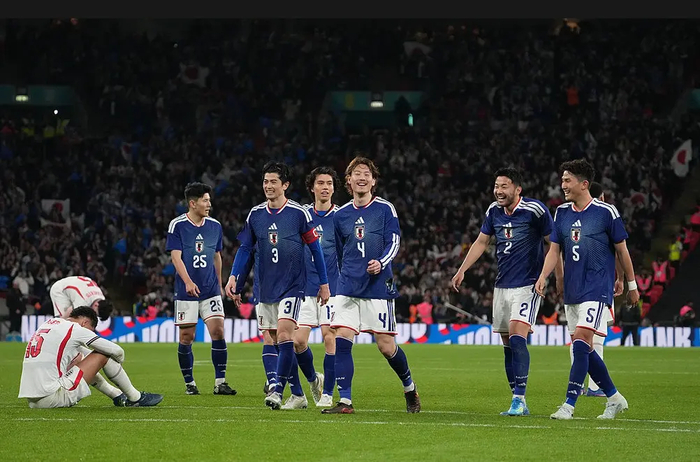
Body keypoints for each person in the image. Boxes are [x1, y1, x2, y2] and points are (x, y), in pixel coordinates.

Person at [535, 159, 639, 420]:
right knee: (585, 349)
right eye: (562, 180)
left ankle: (569, 405)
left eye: (567, 180)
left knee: (581, 341)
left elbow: (622, 250)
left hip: (597, 287)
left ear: (584, 184)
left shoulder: (606, 212)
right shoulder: (561, 213)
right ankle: (614, 398)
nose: (562, 185)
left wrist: (631, 284)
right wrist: (544, 276)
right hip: (573, 289)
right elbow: (554, 251)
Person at [451, 167, 556, 416]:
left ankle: (519, 399)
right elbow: (482, 241)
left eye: (504, 186)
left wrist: (548, 276)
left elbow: (554, 244)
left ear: (518, 189)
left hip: (528, 284)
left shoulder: (535, 210)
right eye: (496, 186)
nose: (498, 191)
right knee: (507, 343)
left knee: (518, 336)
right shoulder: (493, 211)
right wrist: (462, 269)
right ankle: (517, 399)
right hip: (502, 285)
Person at [225, 161, 330, 410]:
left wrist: (324, 283)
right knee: (273, 338)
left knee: (284, 335)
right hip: (265, 286)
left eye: (274, 181)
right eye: (265, 181)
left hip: (292, 285)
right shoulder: (255, 215)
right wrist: (234, 277)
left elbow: (315, 249)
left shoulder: (298, 214)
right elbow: (245, 249)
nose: (268, 186)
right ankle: (300, 393)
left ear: (285, 185)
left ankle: (277, 391)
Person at [323, 156, 420, 415]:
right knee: (342, 337)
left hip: (378, 286)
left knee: (386, 346)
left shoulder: (385, 209)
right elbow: (340, 251)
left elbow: (394, 241)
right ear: (349, 180)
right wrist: (345, 276)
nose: (362, 177)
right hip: (348, 286)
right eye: (357, 173)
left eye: (367, 173)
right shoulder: (340, 215)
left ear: (373, 181)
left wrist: (381, 262)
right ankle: (345, 401)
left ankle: (409, 388)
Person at [166, 182, 236, 396]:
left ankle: (220, 382)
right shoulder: (177, 225)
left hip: (210, 290)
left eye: (209, 200)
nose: (209, 204)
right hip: (186, 292)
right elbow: (176, 257)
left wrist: (219, 283)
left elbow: (216, 256)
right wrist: (188, 281)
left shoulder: (215, 226)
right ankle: (190, 383)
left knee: (218, 331)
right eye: (205, 200)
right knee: (187, 336)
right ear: (193, 203)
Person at [18, 306, 162, 408]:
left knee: (80, 357)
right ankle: (135, 398)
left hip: (33, 400)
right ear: (85, 323)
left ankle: (117, 396)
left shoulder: (49, 324)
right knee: (103, 354)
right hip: (52, 397)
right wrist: (117, 362)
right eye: (91, 330)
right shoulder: (76, 329)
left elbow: (84, 357)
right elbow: (117, 351)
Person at [281, 167, 341, 409]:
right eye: (320, 183)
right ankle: (314, 380)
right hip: (304, 288)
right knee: (297, 342)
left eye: (329, 183)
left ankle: (327, 393)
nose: (325, 187)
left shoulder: (340, 216)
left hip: (332, 288)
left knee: (329, 337)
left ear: (334, 188)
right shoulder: (301, 215)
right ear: (312, 187)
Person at [50, 275, 149, 406]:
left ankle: (115, 393)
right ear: (96, 304)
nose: (94, 316)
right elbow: (75, 328)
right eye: (95, 313)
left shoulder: (100, 299)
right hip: (60, 289)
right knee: (61, 326)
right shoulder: (82, 301)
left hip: (76, 286)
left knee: (78, 348)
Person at [572, 181, 624, 397]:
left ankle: (577, 385)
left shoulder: (572, 217)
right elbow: (618, 251)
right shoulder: (604, 216)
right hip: (597, 284)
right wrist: (621, 278)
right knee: (596, 336)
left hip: (575, 285)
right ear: (599, 197)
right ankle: (595, 387)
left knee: (577, 336)